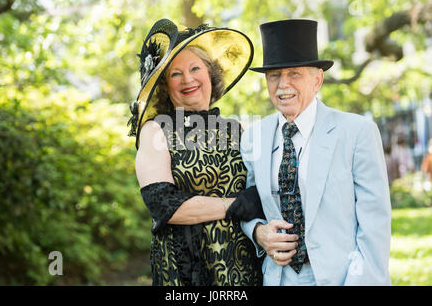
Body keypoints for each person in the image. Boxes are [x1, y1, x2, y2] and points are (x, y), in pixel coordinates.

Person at [240, 19, 392, 285]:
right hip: (276, 279)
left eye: (294, 74)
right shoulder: (253, 136)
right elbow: (247, 205)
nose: (282, 85)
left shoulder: (357, 132)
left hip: (341, 278)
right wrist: (258, 232)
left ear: (317, 79)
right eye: (274, 76)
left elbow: (375, 227)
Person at [128, 19, 264, 286]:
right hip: (186, 273)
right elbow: (165, 206)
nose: (187, 79)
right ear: (166, 86)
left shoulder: (241, 129)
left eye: (195, 68)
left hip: (245, 270)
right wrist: (236, 205)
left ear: (210, 74)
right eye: (176, 73)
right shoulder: (156, 132)